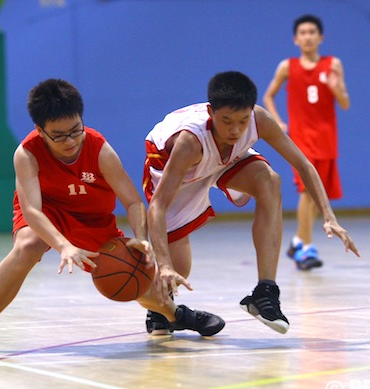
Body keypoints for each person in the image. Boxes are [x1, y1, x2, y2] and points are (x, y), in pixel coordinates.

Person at [0, 79, 223, 354]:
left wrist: (140, 239)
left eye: (75, 131)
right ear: (40, 130)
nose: (69, 141)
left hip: (93, 220)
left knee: (131, 275)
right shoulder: (27, 154)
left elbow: (132, 201)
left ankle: (177, 315)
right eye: (58, 135)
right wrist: (63, 245)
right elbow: (31, 210)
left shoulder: (98, 147)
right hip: (49, 212)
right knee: (27, 246)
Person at [143, 71, 359, 335]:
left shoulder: (259, 120)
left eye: (242, 121)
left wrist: (329, 216)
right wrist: (164, 264)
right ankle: (160, 311)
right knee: (179, 268)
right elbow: (158, 207)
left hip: (224, 159)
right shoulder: (189, 142)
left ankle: (265, 292)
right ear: (211, 112)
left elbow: (303, 164)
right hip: (179, 169)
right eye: (227, 121)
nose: (235, 130)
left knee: (270, 181)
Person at [263, 14, 350, 271]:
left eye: (312, 32)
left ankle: (297, 241)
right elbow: (269, 96)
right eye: (303, 32)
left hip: (326, 137)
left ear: (321, 37)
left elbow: (345, 103)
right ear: (295, 39)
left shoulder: (333, 64)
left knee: (317, 195)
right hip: (300, 138)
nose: (308, 36)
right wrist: (277, 121)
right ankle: (306, 248)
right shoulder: (287, 66)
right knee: (306, 191)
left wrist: (336, 87)